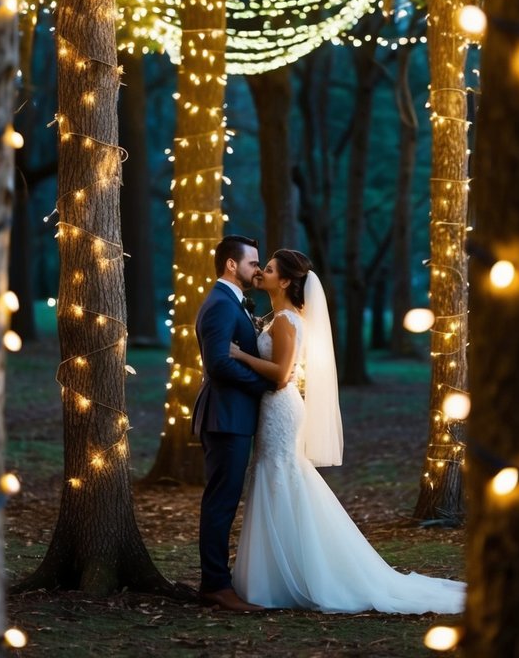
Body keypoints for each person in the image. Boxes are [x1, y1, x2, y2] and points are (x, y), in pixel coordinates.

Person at [229, 248, 466, 614]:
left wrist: (240, 356)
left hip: (279, 408)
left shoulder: (287, 321)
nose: (262, 271)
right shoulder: (279, 317)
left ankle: (291, 575)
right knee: (275, 477)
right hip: (274, 409)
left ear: (287, 281)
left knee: (278, 475)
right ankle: (276, 571)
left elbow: (280, 375)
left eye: (270, 269)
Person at [192, 233, 273, 612]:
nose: (257, 269)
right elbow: (219, 363)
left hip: (234, 416)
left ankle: (218, 582)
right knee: (221, 503)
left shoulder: (234, 303)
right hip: (225, 417)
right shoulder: (221, 305)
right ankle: (214, 586)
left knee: (224, 500)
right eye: (253, 263)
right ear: (231, 264)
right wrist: (263, 385)